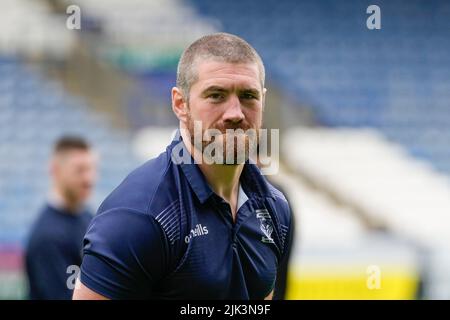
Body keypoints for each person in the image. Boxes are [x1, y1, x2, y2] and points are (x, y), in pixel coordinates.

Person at [73, 32, 294, 300]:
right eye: (216, 95)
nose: (235, 113)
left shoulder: (274, 208)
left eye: (249, 95)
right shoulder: (138, 216)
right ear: (180, 104)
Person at [25, 136, 97, 299]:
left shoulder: (88, 217)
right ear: (55, 170)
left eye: (92, 169)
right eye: (80, 170)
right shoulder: (47, 237)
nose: (89, 179)